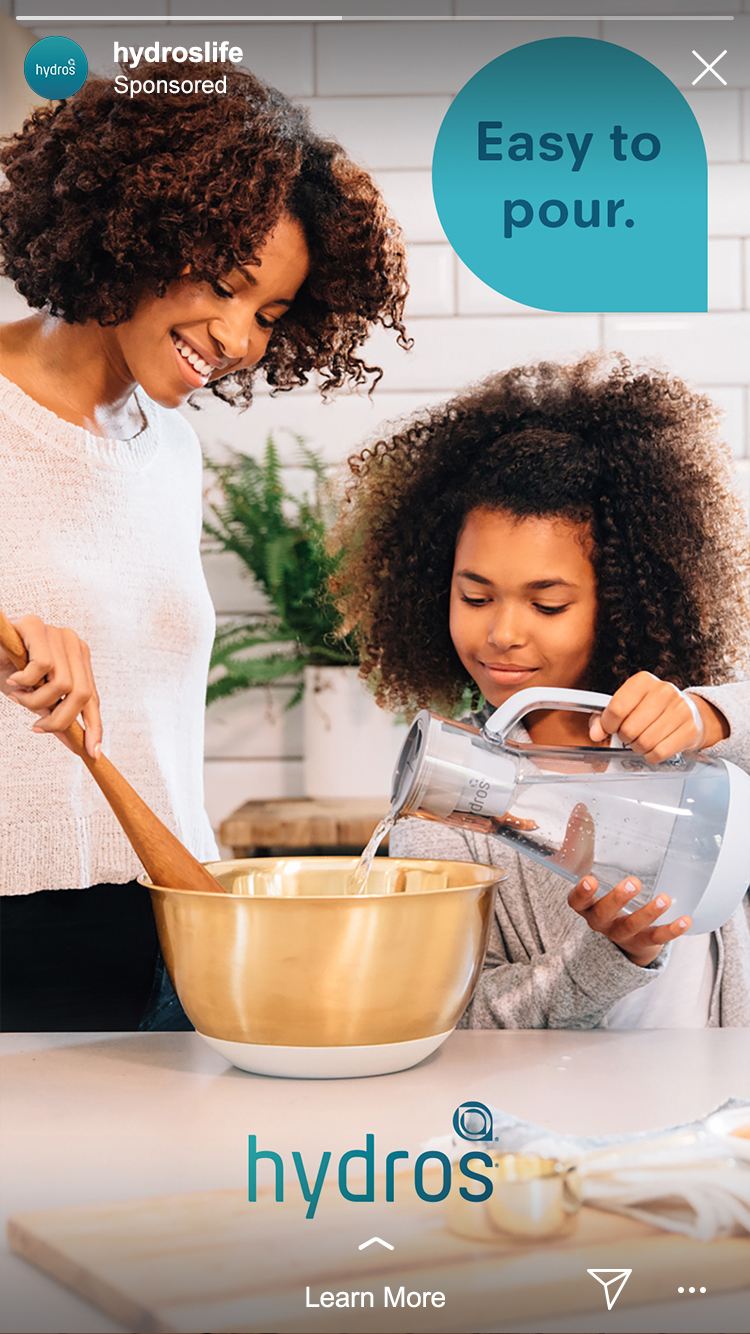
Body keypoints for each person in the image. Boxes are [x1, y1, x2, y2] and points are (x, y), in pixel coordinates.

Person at [0, 59, 409, 1031]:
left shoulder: (170, 450)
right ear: (136, 229)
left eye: (268, 314)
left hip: (176, 923)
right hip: (23, 935)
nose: (237, 336)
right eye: (225, 285)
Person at [332, 354, 750, 1028]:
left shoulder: (679, 739)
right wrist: (610, 956)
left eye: (547, 605)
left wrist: (708, 716)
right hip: (553, 1127)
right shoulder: (447, 801)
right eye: (474, 595)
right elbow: (459, 1018)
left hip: (717, 1120)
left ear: (617, 601)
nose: (502, 633)